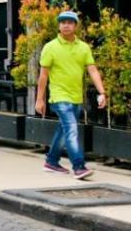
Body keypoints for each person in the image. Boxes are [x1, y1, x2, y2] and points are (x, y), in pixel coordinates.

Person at [36, 10, 107, 180]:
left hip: (76, 97)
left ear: (75, 26)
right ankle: (79, 166)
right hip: (59, 97)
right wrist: (40, 99)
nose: (66, 25)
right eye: (62, 22)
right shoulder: (50, 47)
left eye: (69, 22)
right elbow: (43, 75)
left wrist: (102, 92)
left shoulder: (83, 47)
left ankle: (51, 161)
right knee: (72, 130)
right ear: (59, 26)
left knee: (64, 130)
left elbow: (92, 70)